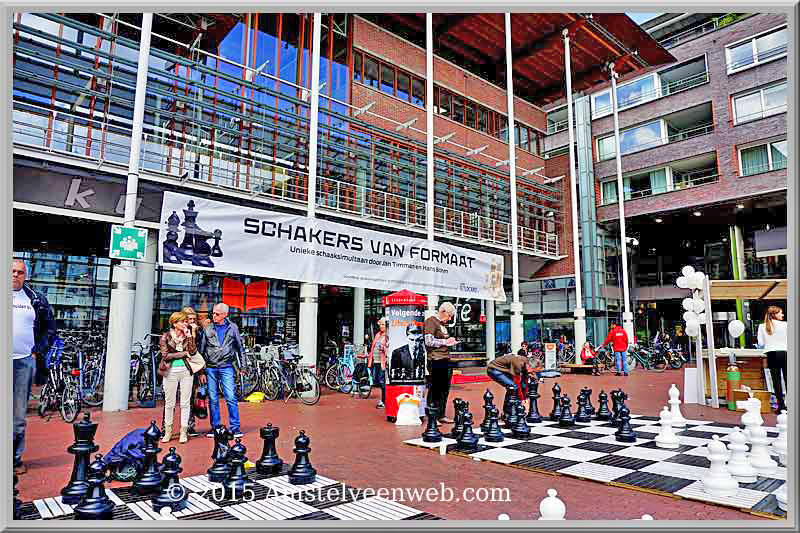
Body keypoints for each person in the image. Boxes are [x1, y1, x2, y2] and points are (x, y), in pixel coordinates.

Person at [12, 259, 55, 475]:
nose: (15, 275)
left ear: (25, 275)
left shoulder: (36, 299)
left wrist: (38, 350)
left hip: (22, 362)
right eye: (12, 271)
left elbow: (49, 329)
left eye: (20, 272)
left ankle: (14, 459)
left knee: (18, 415)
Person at [197, 302, 245, 438]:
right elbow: (201, 350)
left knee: (231, 397)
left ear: (225, 315)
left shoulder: (233, 328)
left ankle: (235, 428)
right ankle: (215, 427)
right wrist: (201, 371)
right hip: (211, 368)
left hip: (227, 367)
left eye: (217, 314)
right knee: (212, 398)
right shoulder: (208, 328)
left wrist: (243, 366)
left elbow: (240, 348)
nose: (214, 316)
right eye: (213, 313)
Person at [158, 311, 198, 444]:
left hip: (186, 372)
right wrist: (184, 353)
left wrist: (191, 336)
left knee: (185, 404)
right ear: (174, 323)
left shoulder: (188, 336)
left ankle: (183, 432)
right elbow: (165, 356)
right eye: (182, 321)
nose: (185, 323)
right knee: (169, 404)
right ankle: (168, 432)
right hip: (170, 372)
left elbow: (192, 352)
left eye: (186, 321)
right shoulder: (165, 336)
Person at [424, 302, 458, 424]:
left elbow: (442, 340)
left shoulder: (441, 324)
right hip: (435, 359)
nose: (449, 319)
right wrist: (445, 342)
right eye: (449, 315)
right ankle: (432, 415)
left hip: (445, 359)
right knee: (436, 388)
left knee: (444, 389)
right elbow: (428, 341)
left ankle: (441, 414)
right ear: (443, 311)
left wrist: (450, 341)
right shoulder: (431, 321)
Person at [758, 306, 787, 413]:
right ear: (774, 314)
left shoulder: (762, 326)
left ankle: (781, 406)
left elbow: (760, 343)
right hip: (785, 353)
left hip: (771, 354)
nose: (782, 315)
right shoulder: (786, 325)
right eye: (780, 313)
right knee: (788, 380)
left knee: (776, 381)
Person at [182, 306, 204, 438]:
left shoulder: (198, 332)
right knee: (172, 400)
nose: (192, 322)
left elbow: (197, 352)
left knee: (190, 398)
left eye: (193, 319)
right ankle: (166, 426)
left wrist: (201, 372)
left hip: (193, 368)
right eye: (189, 319)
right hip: (179, 367)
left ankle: (189, 426)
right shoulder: (177, 332)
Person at [367, 317, 388, 409]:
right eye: (380, 324)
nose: (381, 326)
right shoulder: (378, 335)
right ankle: (384, 399)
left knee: (383, 381)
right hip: (376, 361)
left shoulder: (388, 335)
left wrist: (383, 348)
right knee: (378, 381)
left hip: (383, 362)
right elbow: (373, 347)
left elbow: (389, 348)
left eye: (383, 324)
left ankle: (384, 401)